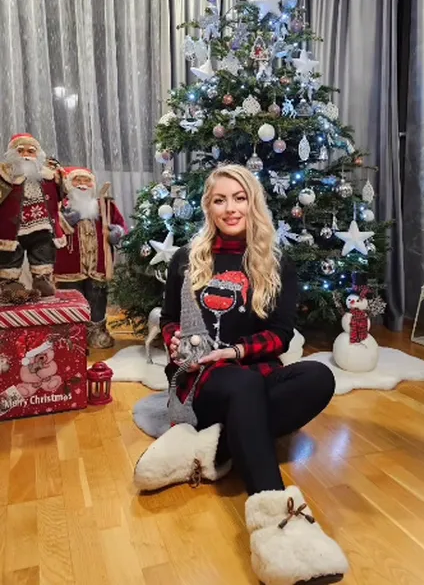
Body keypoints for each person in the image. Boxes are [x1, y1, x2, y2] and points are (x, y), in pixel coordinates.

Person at [134, 164, 348, 585]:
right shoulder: (186, 259)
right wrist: (176, 341)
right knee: (244, 384)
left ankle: (210, 450)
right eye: (220, 200)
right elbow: (171, 318)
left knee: (318, 378)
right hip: (201, 379)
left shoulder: (276, 263)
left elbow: (281, 334)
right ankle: (276, 527)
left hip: (250, 371)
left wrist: (235, 351)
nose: (230, 208)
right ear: (208, 207)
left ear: (253, 203)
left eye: (239, 198)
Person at [54, 167, 126, 348]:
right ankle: (73, 336)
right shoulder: (60, 206)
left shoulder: (104, 205)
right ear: (69, 184)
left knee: (97, 298)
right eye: (77, 180)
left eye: (86, 180)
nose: (82, 184)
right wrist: (65, 221)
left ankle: (97, 334)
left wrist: (116, 232)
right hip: (69, 266)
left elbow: (120, 224)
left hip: (98, 265)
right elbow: (50, 230)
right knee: (71, 300)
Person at [0, 133, 66, 302]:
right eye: (20, 151)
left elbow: (61, 197)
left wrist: (62, 180)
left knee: (43, 253)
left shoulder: (48, 177)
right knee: (10, 256)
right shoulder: (5, 176)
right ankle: (9, 284)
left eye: (31, 151)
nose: (26, 155)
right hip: (12, 228)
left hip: (42, 226)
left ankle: (41, 280)